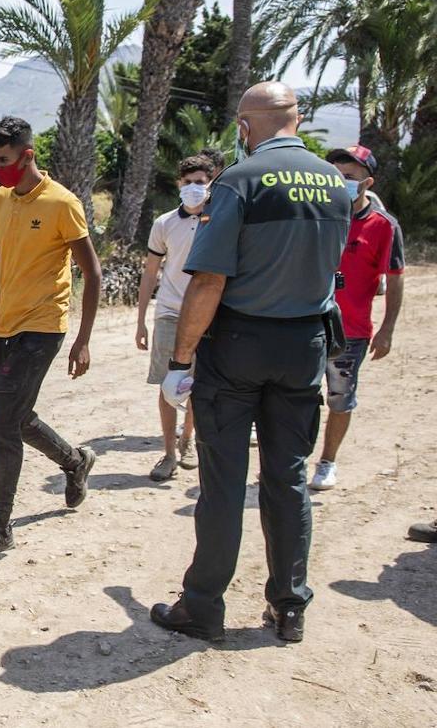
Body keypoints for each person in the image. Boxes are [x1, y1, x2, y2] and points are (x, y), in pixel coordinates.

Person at [150, 82, 351, 644]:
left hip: (238, 346)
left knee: (222, 482)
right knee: (287, 479)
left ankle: (202, 607)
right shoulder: (334, 181)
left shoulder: (239, 181)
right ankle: (289, 607)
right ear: (297, 118)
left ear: (244, 125)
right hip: (303, 346)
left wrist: (180, 358)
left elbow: (210, 279)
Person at [0, 116, 102, 559]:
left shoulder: (62, 202)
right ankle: (75, 461)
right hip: (8, 326)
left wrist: (84, 339)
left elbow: (91, 273)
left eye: (5, 160)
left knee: (1, 423)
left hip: (44, 326)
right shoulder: (0, 201)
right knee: (17, 417)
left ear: (28, 155)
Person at [309, 146, 404, 490]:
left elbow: (394, 277)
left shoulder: (383, 226)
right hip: (305, 325)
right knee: (298, 396)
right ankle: (290, 461)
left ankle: (327, 462)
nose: (341, 182)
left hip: (350, 333)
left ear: (368, 182)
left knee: (339, 397)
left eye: (349, 177)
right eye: (336, 175)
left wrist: (388, 329)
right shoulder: (313, 215)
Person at [136, 155, 216, 481]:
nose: (194, 188)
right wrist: (141, 319)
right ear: (178, 184)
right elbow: (151, 271)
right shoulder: (165, 223)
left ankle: (188, 440)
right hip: (169, 313)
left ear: (211, 184)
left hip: (208, 315)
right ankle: (169, 452)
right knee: (168, 386)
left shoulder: (220, 221)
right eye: (189, 182)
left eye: (201, 182)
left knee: (197, 385)